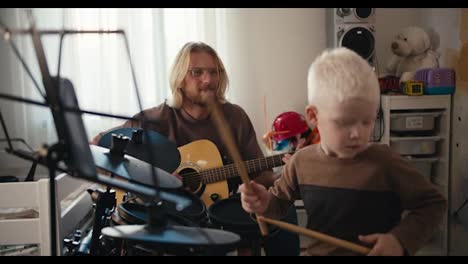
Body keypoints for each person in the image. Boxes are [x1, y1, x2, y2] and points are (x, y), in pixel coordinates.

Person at [91, 41, 300, 256]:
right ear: (180, 78)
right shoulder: (154, 119)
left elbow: (262, 175)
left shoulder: (234, 117)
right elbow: (98, 153)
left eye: (214, 72)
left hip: (222, 213)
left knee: (286, 210)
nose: (208, 80)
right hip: (169, 217)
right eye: (197, 72)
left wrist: (281, 176)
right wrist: (153, 182)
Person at [239, 47, 447, 256]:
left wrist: (399, 241)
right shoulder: (300, 162)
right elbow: (277, 204)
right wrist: (263, 202)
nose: (357, 133)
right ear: (313, 116)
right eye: (344, 122)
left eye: (367, 121)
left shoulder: (386, 163)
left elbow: (433, 204)